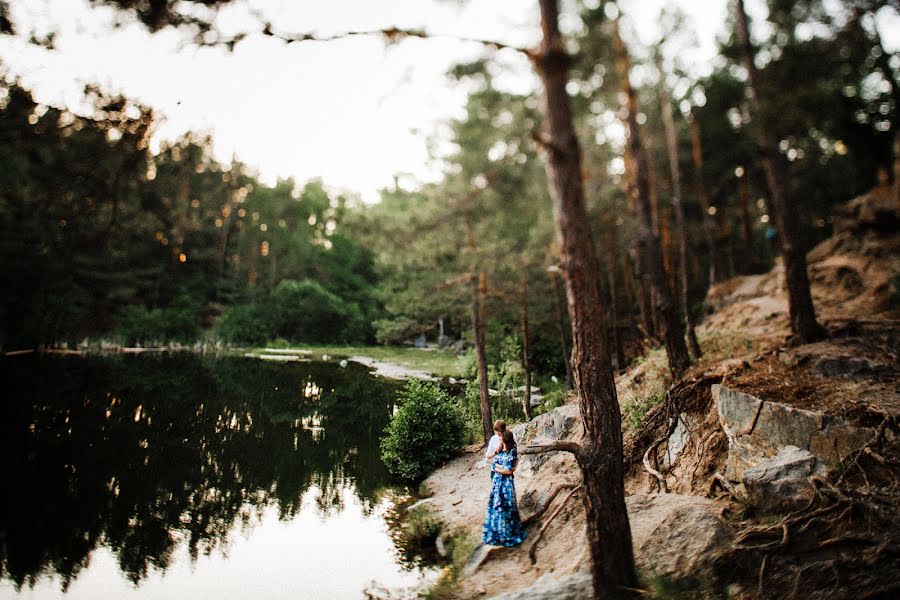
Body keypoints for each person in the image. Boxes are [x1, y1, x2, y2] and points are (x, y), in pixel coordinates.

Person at [482, 429, 527, 547]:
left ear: (505, 439)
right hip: (497, 483)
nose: (500, 438)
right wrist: (501, 469)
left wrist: (500, 469)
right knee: (496, 506)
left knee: (507, 506)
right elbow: (494, 465)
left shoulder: (512, 452)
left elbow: (508, 470)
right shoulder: (500, 450)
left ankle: (508, 534)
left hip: (506, 484)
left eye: (501, 437)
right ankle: (498, 533)